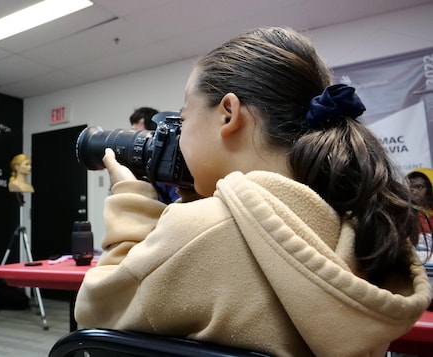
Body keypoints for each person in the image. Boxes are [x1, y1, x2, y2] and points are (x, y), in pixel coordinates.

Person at [74, 27, 431, 356]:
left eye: (184, 113)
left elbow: (96, 309)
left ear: (228, 114)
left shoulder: (198, 229)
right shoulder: (352, 223)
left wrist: (130, 198)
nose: (178, 132)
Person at [128, 107, 180, 204]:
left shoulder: (166, 164)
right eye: (132, 123)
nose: (133, 128)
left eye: (138, 123)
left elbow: (177, 203)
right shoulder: (132, 159)